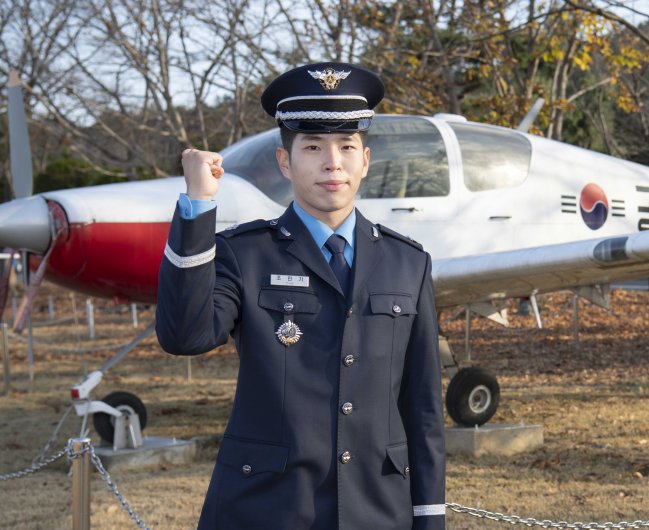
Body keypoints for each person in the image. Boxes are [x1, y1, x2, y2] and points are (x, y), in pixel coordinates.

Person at [155, 62, 446, 530]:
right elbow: (183, 335)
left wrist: (429, 517)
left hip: (377, 511)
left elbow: (423, 408)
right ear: (285, 162)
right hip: (267, 509)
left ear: (365, 160)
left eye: (347, 146)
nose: (333, 162)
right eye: (313, 147)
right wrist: (199, 204)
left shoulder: (408, 263)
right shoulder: (244, 254)